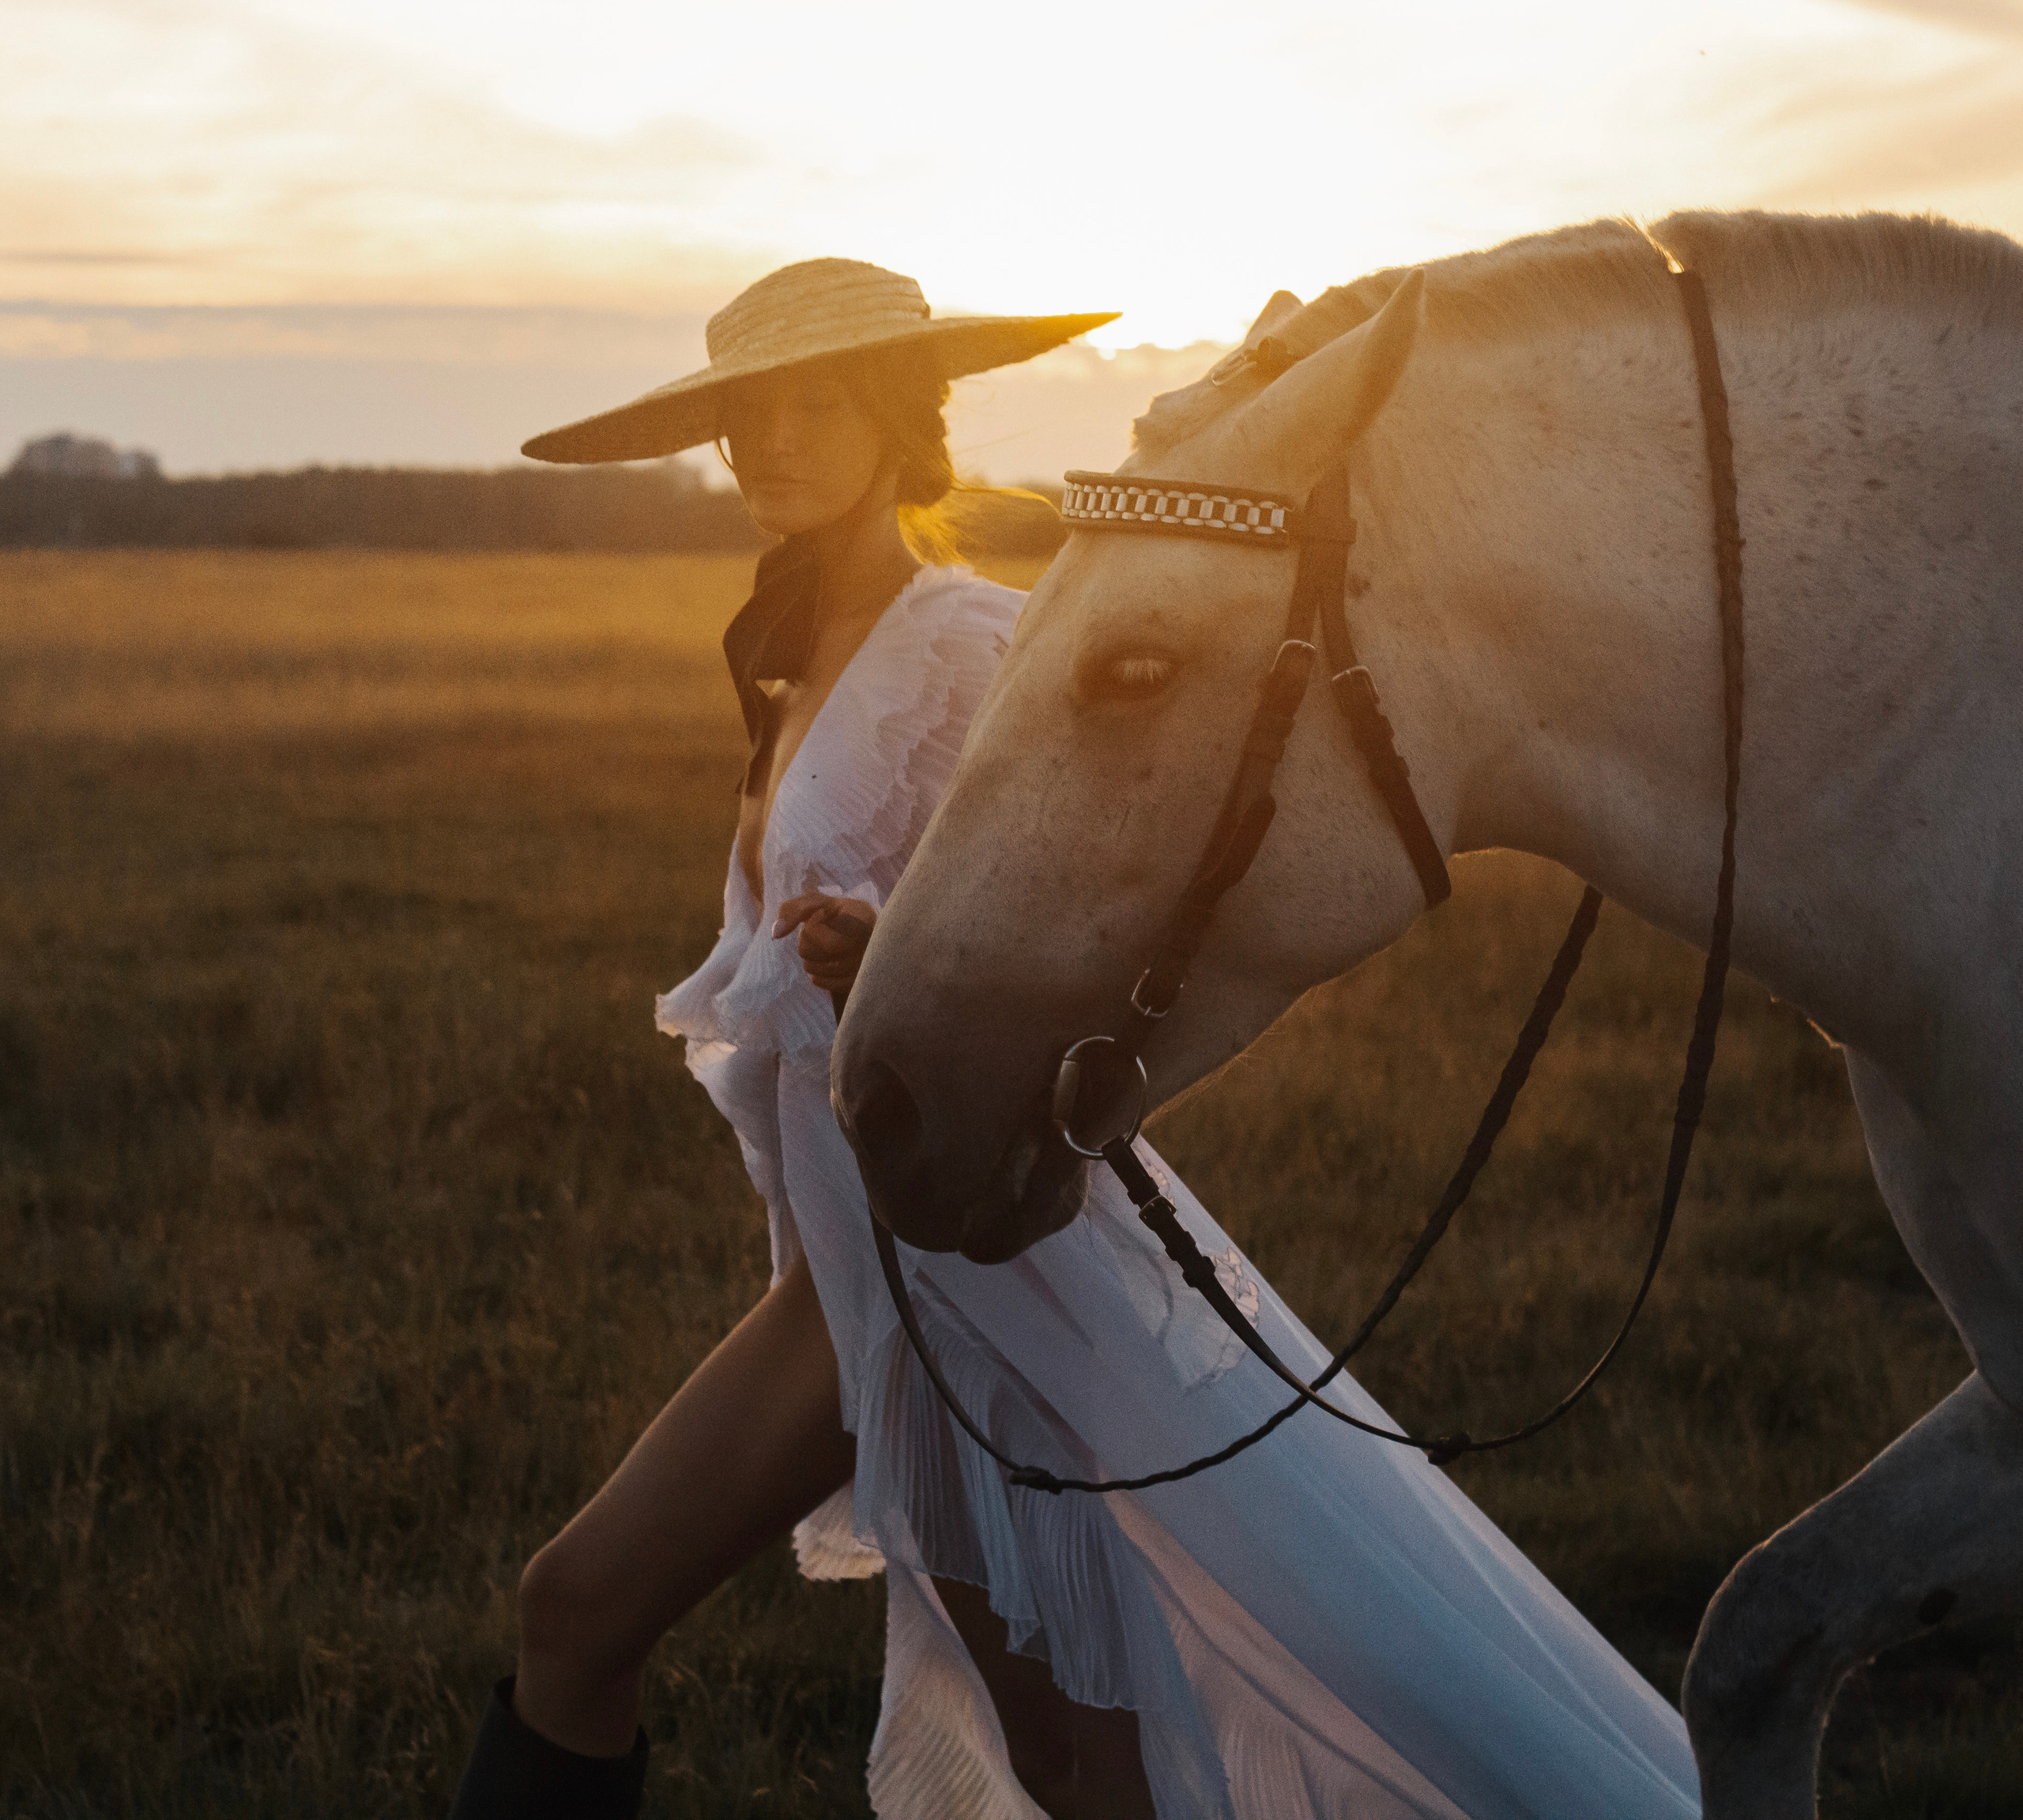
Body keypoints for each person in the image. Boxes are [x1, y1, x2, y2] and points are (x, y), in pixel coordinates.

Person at [449, 258, 1703, 1820]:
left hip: (982, 1272)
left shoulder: (969, 639)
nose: (770, 439)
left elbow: (1094, 925)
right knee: (1049, 1747)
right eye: (744, 411)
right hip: (855, 1262)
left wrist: (875, 982)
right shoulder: (783, 658)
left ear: (900, 417)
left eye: (812, 402)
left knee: (622, 1622)